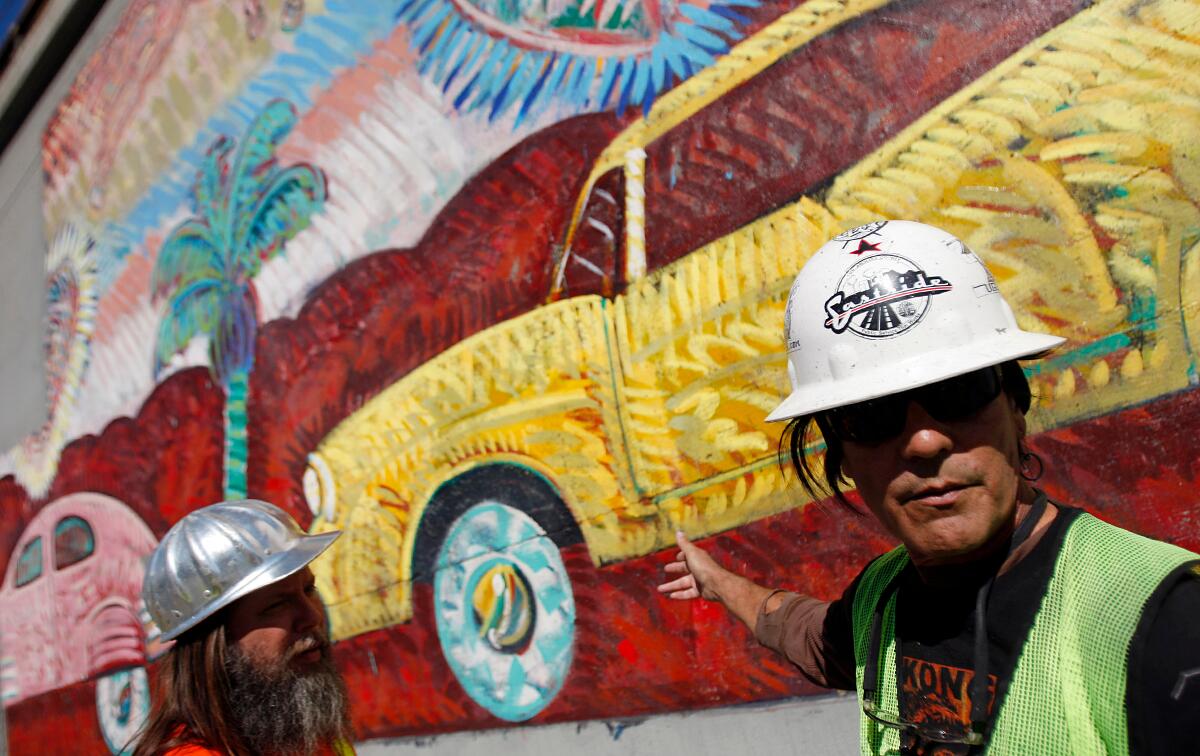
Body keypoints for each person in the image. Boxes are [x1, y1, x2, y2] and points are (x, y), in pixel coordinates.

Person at [657, 220, 1200, 755]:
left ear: (1016, 409)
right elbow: (811, 634)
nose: (922, 442)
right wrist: (717, 582)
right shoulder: (883, 600)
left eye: (959, 391)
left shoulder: (1162, 619)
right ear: (843, 457)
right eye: (872, 416)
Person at [132, 499, 354, 756]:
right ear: (217, 646)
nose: (312, 615)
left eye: (309, 590)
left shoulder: (311, 737)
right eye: (276, 606)